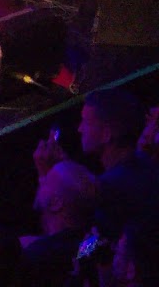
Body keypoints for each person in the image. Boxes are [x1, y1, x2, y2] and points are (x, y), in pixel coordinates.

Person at [34, 88, 159, 243]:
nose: (79, 129)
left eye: (85, 122)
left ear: (107, 134)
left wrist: (48, 177)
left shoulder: (110, 188)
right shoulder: (142, 164)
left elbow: (72, 241)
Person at [20, 159, 98, 285]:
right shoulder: (92, 240)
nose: (42, 179)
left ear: (56, 203)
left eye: (47, 179)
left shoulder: (37, 256)